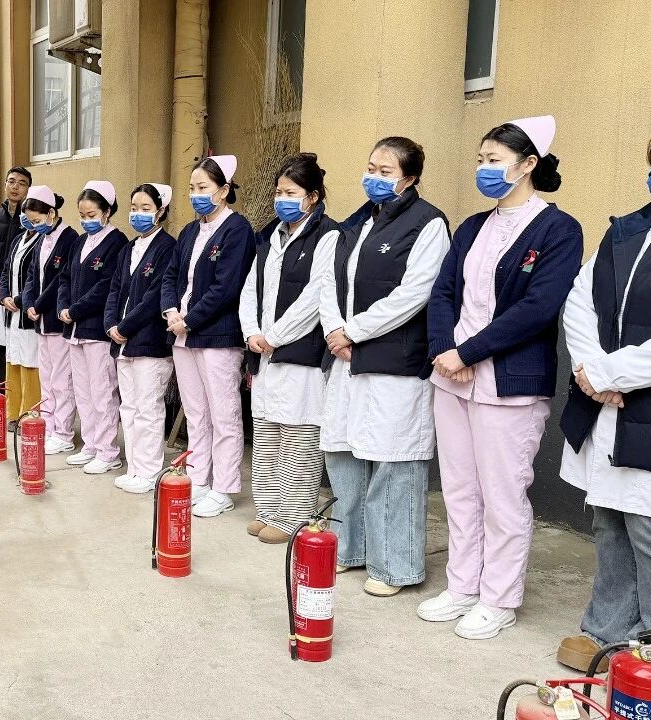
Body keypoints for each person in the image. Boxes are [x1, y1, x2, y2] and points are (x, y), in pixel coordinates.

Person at [418, 116, 582, 640]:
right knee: (460, 489)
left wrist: (469, 351)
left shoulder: (558, 229)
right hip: (451, 377)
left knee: (504, 495)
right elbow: (443, 293)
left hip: (508, 383)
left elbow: (538, 308)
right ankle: (462, 585)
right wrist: (445, 351)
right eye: (481, 159)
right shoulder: (471, 226)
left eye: (494, 160)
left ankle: (499, 597)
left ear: (528, 164)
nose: (483, 169)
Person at [555, 116, 651, 670]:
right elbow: (581, 298)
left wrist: (615, 373)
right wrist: (591, 369)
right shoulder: (628, 229)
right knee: (609, 518)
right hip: (605, 397)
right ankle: (606, 631)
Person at [319, 137, 450, 597]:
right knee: (342, 451)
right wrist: (335, 330)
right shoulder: (357, 222)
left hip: (395, 360)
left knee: (395, 461)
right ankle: (350, 548)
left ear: (409, 178)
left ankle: (395, 566)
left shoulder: (428, 223)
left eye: (385, 171)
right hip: (344, 356)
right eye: (371, 167)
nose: (373, 177)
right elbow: (329, 282)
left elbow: (416, 292)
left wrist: (354, 331)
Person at [238, 153, 338, 543]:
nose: (282, 199)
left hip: (301, 353)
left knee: (299, 438)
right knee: (265, 435)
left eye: (291, 193)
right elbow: (250, 288)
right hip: (263, 353)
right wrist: (251, 332)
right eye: (279, 192)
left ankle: (293, 517)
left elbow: (316, 296)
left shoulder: (328, 236)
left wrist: (274, 336)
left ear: (313, 196)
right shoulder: (270, 235)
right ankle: (267, 510)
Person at [161, 155, 256, 518]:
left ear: (224, 190)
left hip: (217, 336)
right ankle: (199, 476)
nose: (196, 194)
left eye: (203, 187)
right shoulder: (189, 231)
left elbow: (226, 287)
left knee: (224, 413)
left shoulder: (237, 230)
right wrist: (171, 310)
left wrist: (191, 320)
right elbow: (171, 276)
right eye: (192, 188)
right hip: (182, 335)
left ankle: (224, 487)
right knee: (196, 411)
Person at [105, 183, 177, 493]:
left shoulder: (168, 248)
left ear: (160, 211)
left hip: (149, 341)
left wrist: (125, 327)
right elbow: (114, 289)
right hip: (122, 341)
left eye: (146, 208)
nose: (138, 214)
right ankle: (134, 467)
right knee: (129, 407)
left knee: (149, 408)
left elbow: (154, 297)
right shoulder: (128, 248)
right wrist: (111, 324)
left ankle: (148, 471)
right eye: (134, 208)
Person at [57, 181, 128, 475]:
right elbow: (64, 278)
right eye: (82, 215)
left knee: (102, 391)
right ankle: (90, 444)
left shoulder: (117, 242)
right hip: (74, 330)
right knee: (83, 391)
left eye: (92, 215)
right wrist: (63, 306)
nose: (86, 221)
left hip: (97, 330)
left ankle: (108, 451)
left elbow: (106, 286)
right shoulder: (79, 242)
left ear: (107, 212)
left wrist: (75, 310)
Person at [23, 185, 80, 443]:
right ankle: (47, 424)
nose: (35, 226)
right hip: (41, 321)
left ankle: (63, 432)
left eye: (37, 220)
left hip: (57, 320)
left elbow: (60, 280)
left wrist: (39, 304)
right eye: (31, 222)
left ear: (51, 213)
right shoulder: (41, 239)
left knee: (61, 379)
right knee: (46, 377)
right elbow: (32, 275)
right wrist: (28, 303)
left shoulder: (69, 238)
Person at [0, 167, 33, 386]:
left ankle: (21, 395)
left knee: (22, 346)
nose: (15, 187)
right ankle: (2, 394)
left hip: (22, 294)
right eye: (11, 181)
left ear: (28, 189)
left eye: (22, 183)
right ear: (5, 185)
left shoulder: (31, 218)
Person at [0, 194, 43, 429]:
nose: (27, 220)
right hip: (11, 312)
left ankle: (29, 414)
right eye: (24, 215)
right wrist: (4, 296)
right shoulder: (18, 239)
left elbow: (36, 279)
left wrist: (19, 300)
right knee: (13, 361)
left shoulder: (43, 241)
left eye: (32, 216)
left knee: (30, 363)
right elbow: (6, 270)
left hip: (27, 313)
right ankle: (12, 412)